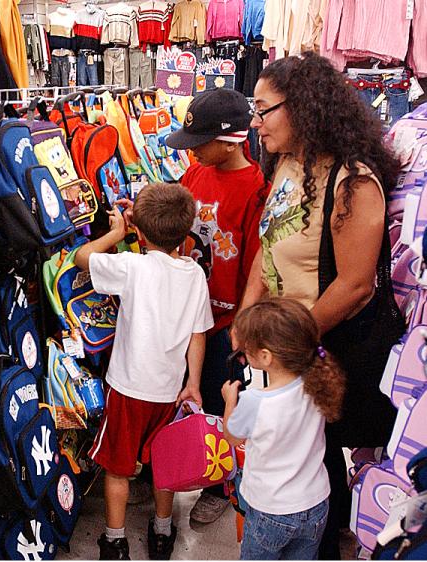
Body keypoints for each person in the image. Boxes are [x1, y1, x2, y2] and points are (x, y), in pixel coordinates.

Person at [240, 52, 404, 558]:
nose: (255, 120)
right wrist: (248, 320)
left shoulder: (353, 180)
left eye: (264, 108)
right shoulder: (290, 164)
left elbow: (355, 286)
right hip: (286, 345)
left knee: (321, 471)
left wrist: (288, 342)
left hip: (326, 348)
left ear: (303, 107)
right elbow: (269, 243)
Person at [74, 182, 214, 560]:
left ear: (139, 231)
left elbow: (82, 258)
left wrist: (118, 231)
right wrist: (194, 384)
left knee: (118, 468)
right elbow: (198, 334)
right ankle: (163, 532)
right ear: (185, 233)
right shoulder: (195, 275)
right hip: (170, 391)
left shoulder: (131, 266)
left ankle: (115, 540)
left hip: (127, 389)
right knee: (164, 464)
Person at [165, 87, 269, 525]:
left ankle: (218, 483)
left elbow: (256, 264)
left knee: (217, 400)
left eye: (198, 143)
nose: (191, 152)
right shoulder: (196, 174)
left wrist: (242, 324)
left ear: (229, 141)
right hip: (186, 314)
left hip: (225, 320)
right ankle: (168, 463)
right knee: (178, 392)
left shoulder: (255, 189)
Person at [223, 297, 345, 560]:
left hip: (271, 509)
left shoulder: (254, 401)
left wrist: (229, 400)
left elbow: (232, 436)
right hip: (316, 503)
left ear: (265, 357)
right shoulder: (317, 384)